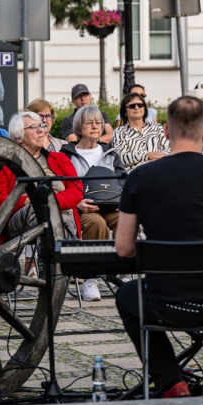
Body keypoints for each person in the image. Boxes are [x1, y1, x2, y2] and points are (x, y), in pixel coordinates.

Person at [114, 95, 203, 398]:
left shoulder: (141, 177)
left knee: (125, 295)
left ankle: (170, 381)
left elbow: (123, 249)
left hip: (166, 303)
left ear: (164, 131)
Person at [60, 104, 126, 301]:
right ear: (79, 127)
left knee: (129, 220)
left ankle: (124, 272)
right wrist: (77, 202)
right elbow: (61, 185)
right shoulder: (66, 154)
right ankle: (90, 278)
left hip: (111, 205)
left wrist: (121, 199)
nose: (95, 126)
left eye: (98, 122)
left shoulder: (111, 153)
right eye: (89, 122)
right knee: (96, 223)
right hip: (82, 207)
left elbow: (123, 179)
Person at [0, 110, 84, 239]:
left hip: (62, 214)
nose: (41, 130)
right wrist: (28, 201)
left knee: (53, 219)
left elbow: (76, 191)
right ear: (19, 137)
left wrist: (49, 202)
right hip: (22, 217)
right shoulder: (6, 165)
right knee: (41, 214)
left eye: (41, 126)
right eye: (34, 127)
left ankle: (49, 256)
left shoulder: (60, 159)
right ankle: (53, 256)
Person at [111, 91, 169, 167]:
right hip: (134, 174)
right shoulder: (119, 132)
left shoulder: (157, 127)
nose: (136, 108)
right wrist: (147, 155)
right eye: (132, 106)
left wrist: (159, 158)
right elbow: (120, 158)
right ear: (125, 112)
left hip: (160, 169)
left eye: (140, 105)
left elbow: (170, 149)